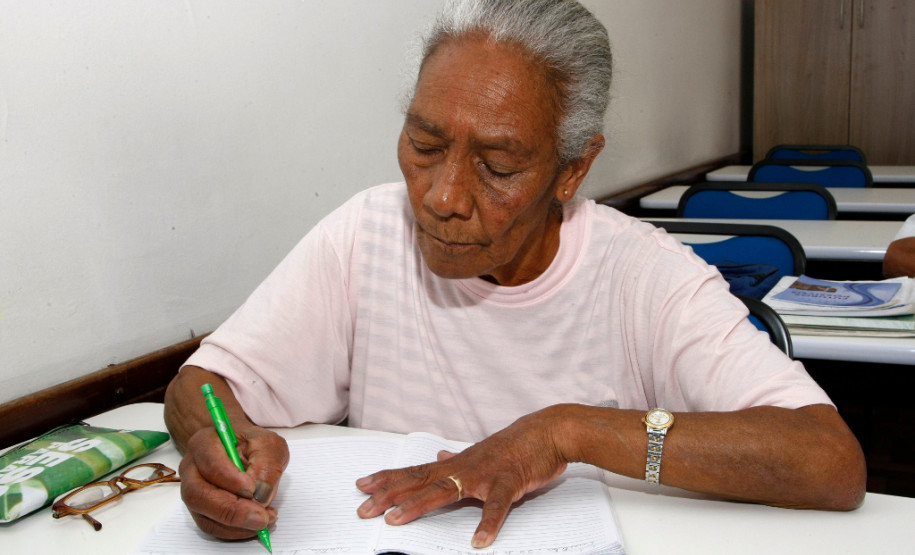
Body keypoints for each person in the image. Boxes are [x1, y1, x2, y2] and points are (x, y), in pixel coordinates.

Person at [164, 0, 866, 549]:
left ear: (573, 169)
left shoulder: (645, 277)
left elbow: (827, 461)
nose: (442, 196)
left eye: (497, 167)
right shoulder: (366, 233)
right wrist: (217, 447)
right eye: (423, 144)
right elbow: (202, 385)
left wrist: (564, 432)